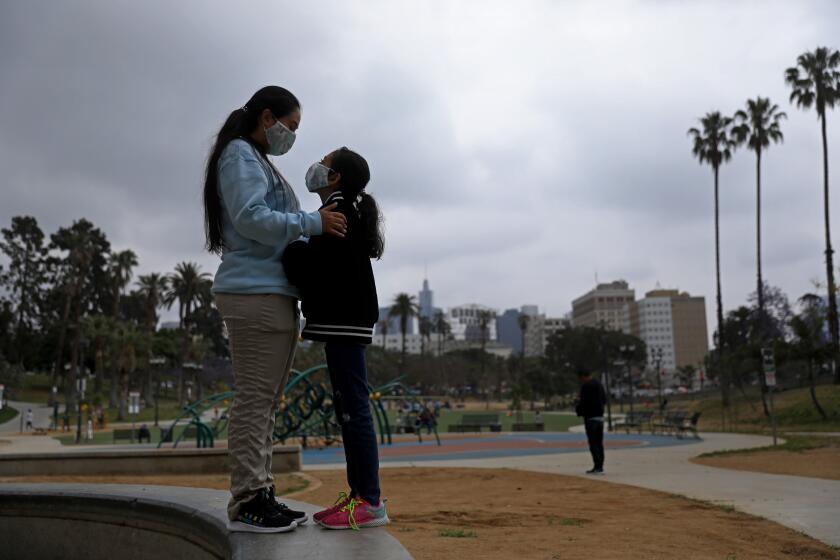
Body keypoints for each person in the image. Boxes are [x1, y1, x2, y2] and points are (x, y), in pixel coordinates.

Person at [204, 86, 348, 534]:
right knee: (254, 401)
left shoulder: (256, 159)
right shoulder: (240, 157)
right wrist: (311, 223)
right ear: (267, 117)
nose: (292, 137)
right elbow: (251, 218)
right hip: (254, 294)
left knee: (264, 403)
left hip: (271, 292)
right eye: (291, 126)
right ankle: (247, 500)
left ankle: (261, 490)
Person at [283, 147, 389, 530]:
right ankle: (361, 494)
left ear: (335, 177)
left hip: (344, 321)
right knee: (350, 409)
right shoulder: (345, 208)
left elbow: (309, 268)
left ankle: (370, 501)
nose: (316, 166)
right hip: (348, 321)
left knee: (354, 409)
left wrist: (292, 242)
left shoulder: (337, 212)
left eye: (323, 163)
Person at [575, 368, 607, 475]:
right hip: (600, 418)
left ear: (583, 377)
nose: (581, 381)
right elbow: (604, 400)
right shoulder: (599, 384)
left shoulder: (586, 386)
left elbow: (583, 403)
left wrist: (578, 408)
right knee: (599, 443)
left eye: (581, 379)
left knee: (593, 443)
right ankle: (600, 465)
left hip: (590, 418)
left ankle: (597, 466)